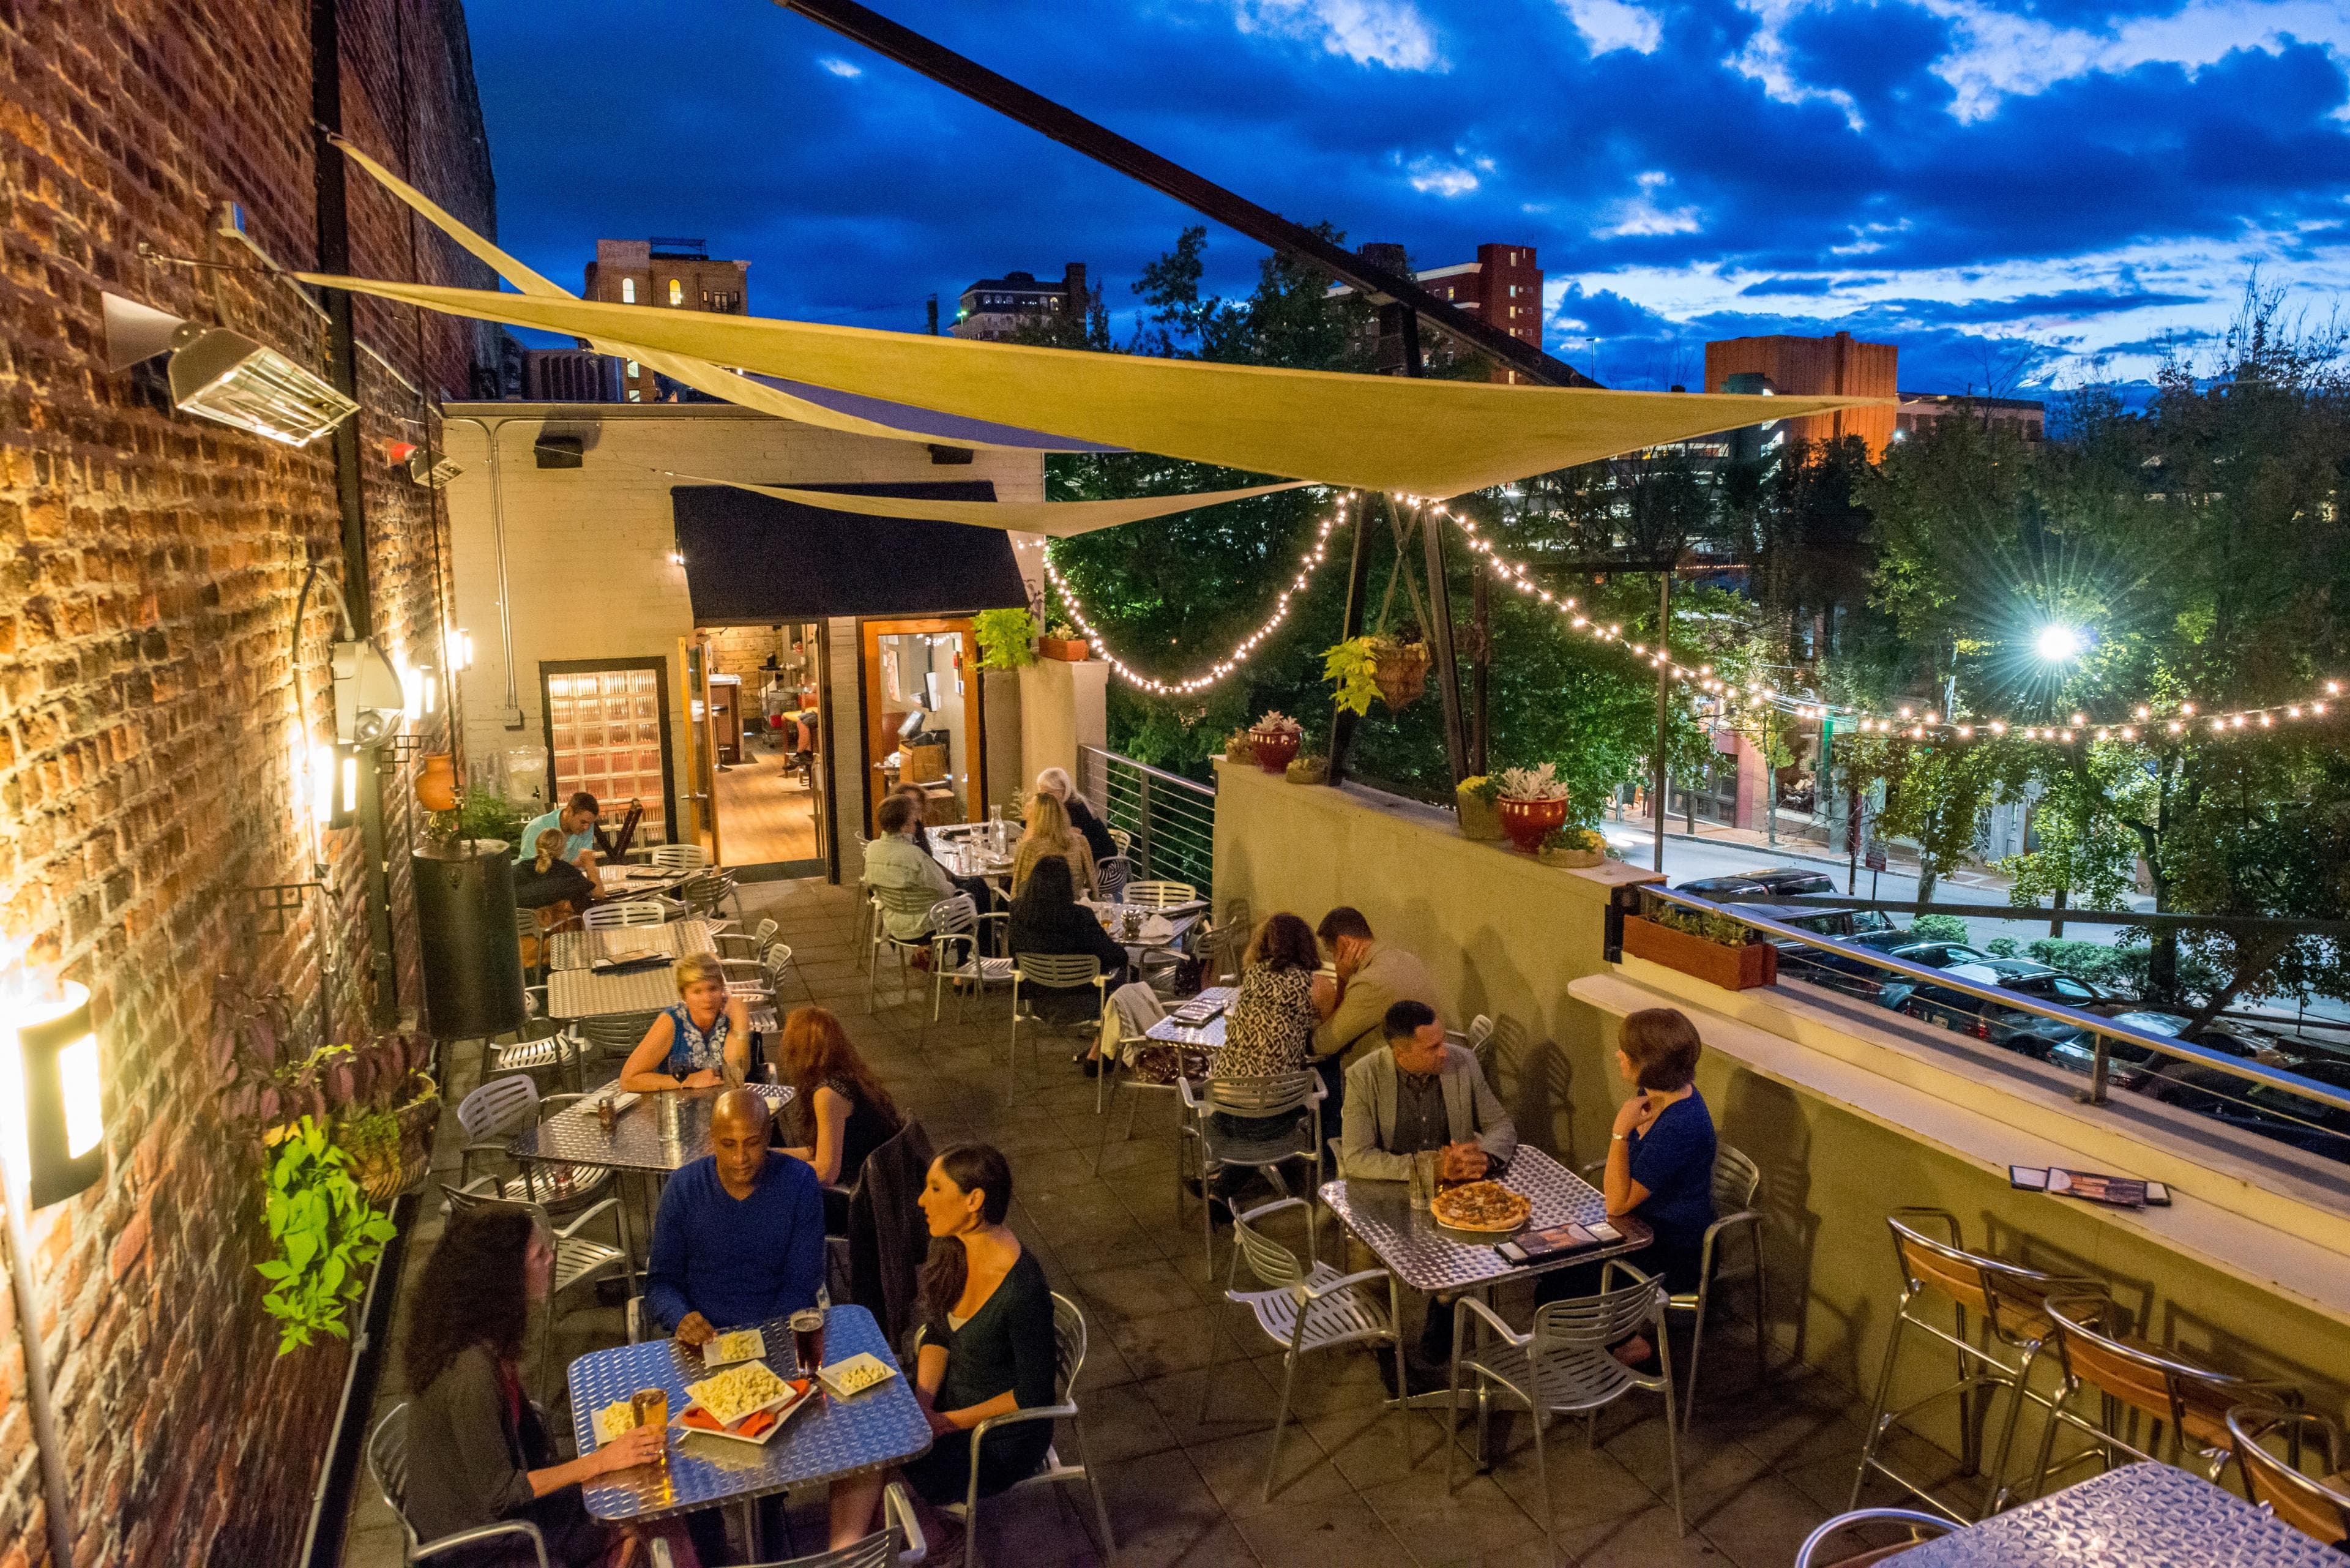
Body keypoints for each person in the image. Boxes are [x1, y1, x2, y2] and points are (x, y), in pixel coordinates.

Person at [399, 1207, 679, 1567]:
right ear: (503, 1278)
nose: (552, 1260)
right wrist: (599, 1461)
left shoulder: (484, 1335)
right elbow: (500, 1495)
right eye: (539, 1255)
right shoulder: (472, 1371)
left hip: (499, 1507)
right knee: (643, 1519)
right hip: (480, 1542)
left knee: (639, 1496)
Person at [828, 1145, 1056, 1557]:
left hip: (998, 1437)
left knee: (871, 1464)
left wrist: (944, 1423)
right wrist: (921, 1403)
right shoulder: (952, 1246)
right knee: (858, 1439)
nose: (921, 1199)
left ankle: (869, 1551)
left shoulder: (1022, 1290)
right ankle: (899, 1546)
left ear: (974, 1201)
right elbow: (937, 1335)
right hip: (947, 1406)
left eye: (935, 1188)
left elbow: (1034, 1393)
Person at [1341, 999, 1517, 1380]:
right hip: (1393, 1190)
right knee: (1363, 1248)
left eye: (1443, 1042)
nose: (1445, 1052)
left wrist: (1483, 1157)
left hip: (1454, 1193)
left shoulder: (1462, 1062)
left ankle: (1445, 1313)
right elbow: (1357, 1157)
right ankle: (1382, 1344)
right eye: (1433, 1047)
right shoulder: (1364, 1076)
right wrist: (1428, 1166)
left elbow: (1501, 1124)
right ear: (1399, 1052)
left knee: (1467, 1242)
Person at [1535, 1007, 1717, 1365]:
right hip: (1636, 1231)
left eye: (1626, 1052)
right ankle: (1607, 1339)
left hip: (1671, 1248)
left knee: (1559, 1290)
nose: (1618, 1055)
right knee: (1547, 1261)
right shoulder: (1654, 1093)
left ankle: (1626, 1346)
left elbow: (1617, 1203)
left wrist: (1619, 1131)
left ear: (1647, 1065)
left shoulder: (1680, 1124)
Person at [644, 1086, 827, 1343]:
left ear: (768, 1136)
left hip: (778, 1333)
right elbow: (661, 1283)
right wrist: (681, 1319)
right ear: (712, 1139)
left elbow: (803, 1282)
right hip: (704, 1339)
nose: (740, 1157)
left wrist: (762, 1337)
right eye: (728, 1144)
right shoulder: (683, 1187)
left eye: (752, 1143)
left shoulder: (799, 1182)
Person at [1196, 913, 1323, 1208]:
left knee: (1251, 1103)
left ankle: (1217, 1187)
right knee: (1273, 1107)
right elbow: (1326, 1038)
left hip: (1222, 1113)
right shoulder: (1315, 987)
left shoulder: (1252, 977)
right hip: (1274, 1121)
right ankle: (1220, 1194)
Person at [1310, 906, 1439, 1162]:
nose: (1334, 960)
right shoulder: (1402, 957)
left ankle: (1333, 1161)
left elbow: (1324, 1043)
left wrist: (1342, 978)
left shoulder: (1371, 982)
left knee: (1319, 1068)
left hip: (1396, 1084)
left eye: (1332, 953)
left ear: (1345, 944)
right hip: (1425, 1067)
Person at [775, 1005, 905, 1218]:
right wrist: (771, 1154)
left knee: (771, 1200)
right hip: (885, 1187)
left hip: (862, 1200)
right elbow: (821, 1149)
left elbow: (827, 1172)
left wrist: (776, 1172)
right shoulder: (849, 1076)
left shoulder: (828, 1095)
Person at [1007, 856, 1128, 1064]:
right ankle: (1101, 1049)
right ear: (1067, 886)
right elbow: (1118, 957)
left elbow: (1013, 954)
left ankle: (1101, 1047)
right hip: (1087, 1004)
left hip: (1040, 1002)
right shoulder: (1080, 917)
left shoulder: (1018, 914)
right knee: (1124, 975)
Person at [619, 954, 750, 1092]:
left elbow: (736, 1077)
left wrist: (741, 1025)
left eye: (713, 989)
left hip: (720, 1104)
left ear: (722, 989)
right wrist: (691, 1080)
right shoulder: (672, 1022)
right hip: (676, 1104)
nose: (707, 998)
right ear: (684, 996)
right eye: (697, 992)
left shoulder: (730, 1015)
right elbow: (628, 1080)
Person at [863, 793, 958, 943]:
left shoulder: (872, 848)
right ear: (905, 826)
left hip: (893, 924)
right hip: (926, 927)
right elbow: (944, 891)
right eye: (914, 819)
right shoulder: (915, 855)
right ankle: (972, 957)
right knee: (975, 889)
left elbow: (870, 884)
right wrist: (955, 887)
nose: (916, 823)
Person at [1009, 791, 1095, 898]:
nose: (1026, 807)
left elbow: (1016, 889)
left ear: (1037, 816)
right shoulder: (1080, 842)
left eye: (1030, 806)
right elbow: (1093, 884)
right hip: (1073, 907)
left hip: (1038, 910)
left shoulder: (1029, 847)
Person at [1034, 766, 1116, 866]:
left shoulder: (1076, 808)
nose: (1043, 798)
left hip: (1103, 866)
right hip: (1084, 863)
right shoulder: (1058, 807)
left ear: (1062, 791)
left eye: (1048, 793)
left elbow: (1068, 841)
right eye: (1041, 793)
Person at [512, 828, 596, 925]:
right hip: (562, 935)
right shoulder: (567, 872)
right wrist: (590, 864)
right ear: (563, 849)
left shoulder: (515, 873)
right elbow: (597, 893)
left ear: (537, 846)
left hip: (525, 935)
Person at [517, 792, 600, 879]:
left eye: (590, 824)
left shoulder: (587, 826)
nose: (587, 828)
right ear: (570, 811)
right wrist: (570, 866)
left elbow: (583, 865)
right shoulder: (537, 827)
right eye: (583, 822)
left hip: (568, 883)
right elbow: (528, 869)